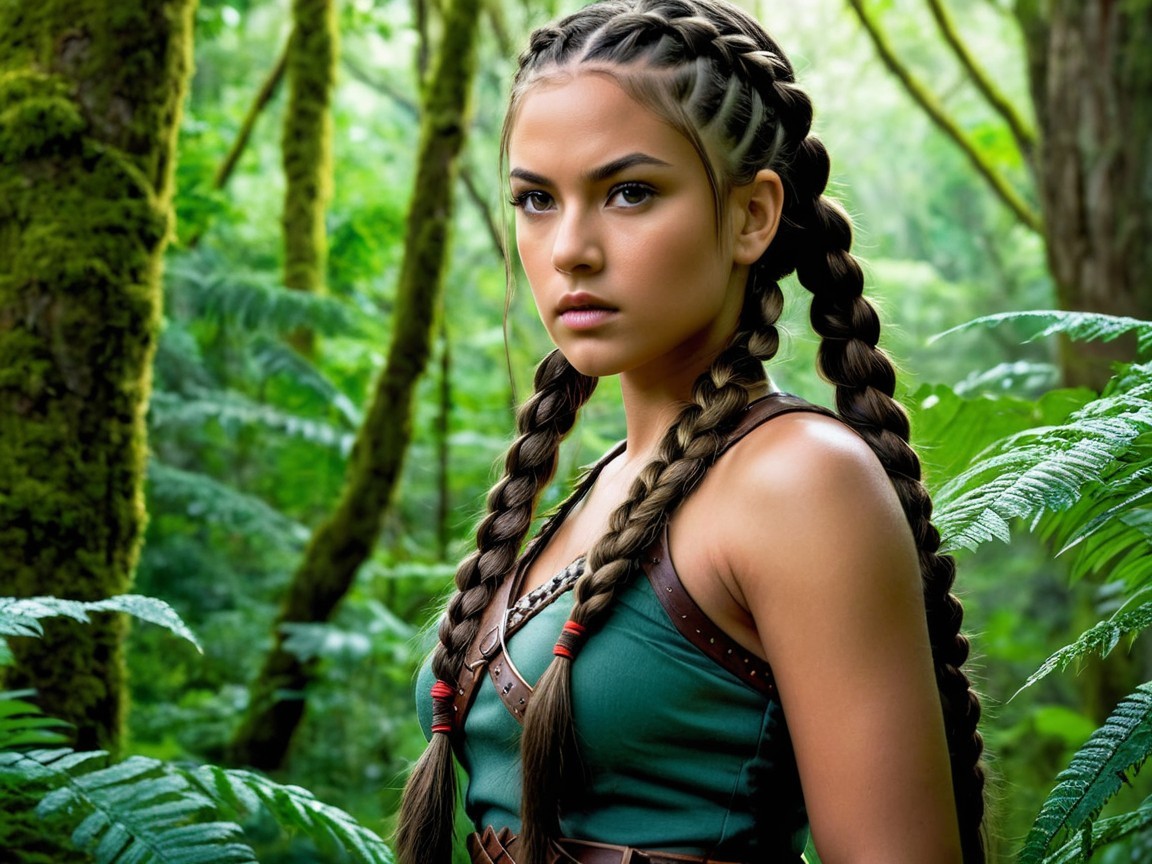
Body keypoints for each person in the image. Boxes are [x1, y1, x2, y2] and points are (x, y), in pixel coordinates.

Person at [397, 1, 985, 861]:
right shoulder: (604, 486)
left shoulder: (798, 482)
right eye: (534, 199)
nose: (570, 249)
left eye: (629, 192)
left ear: (753, 215)